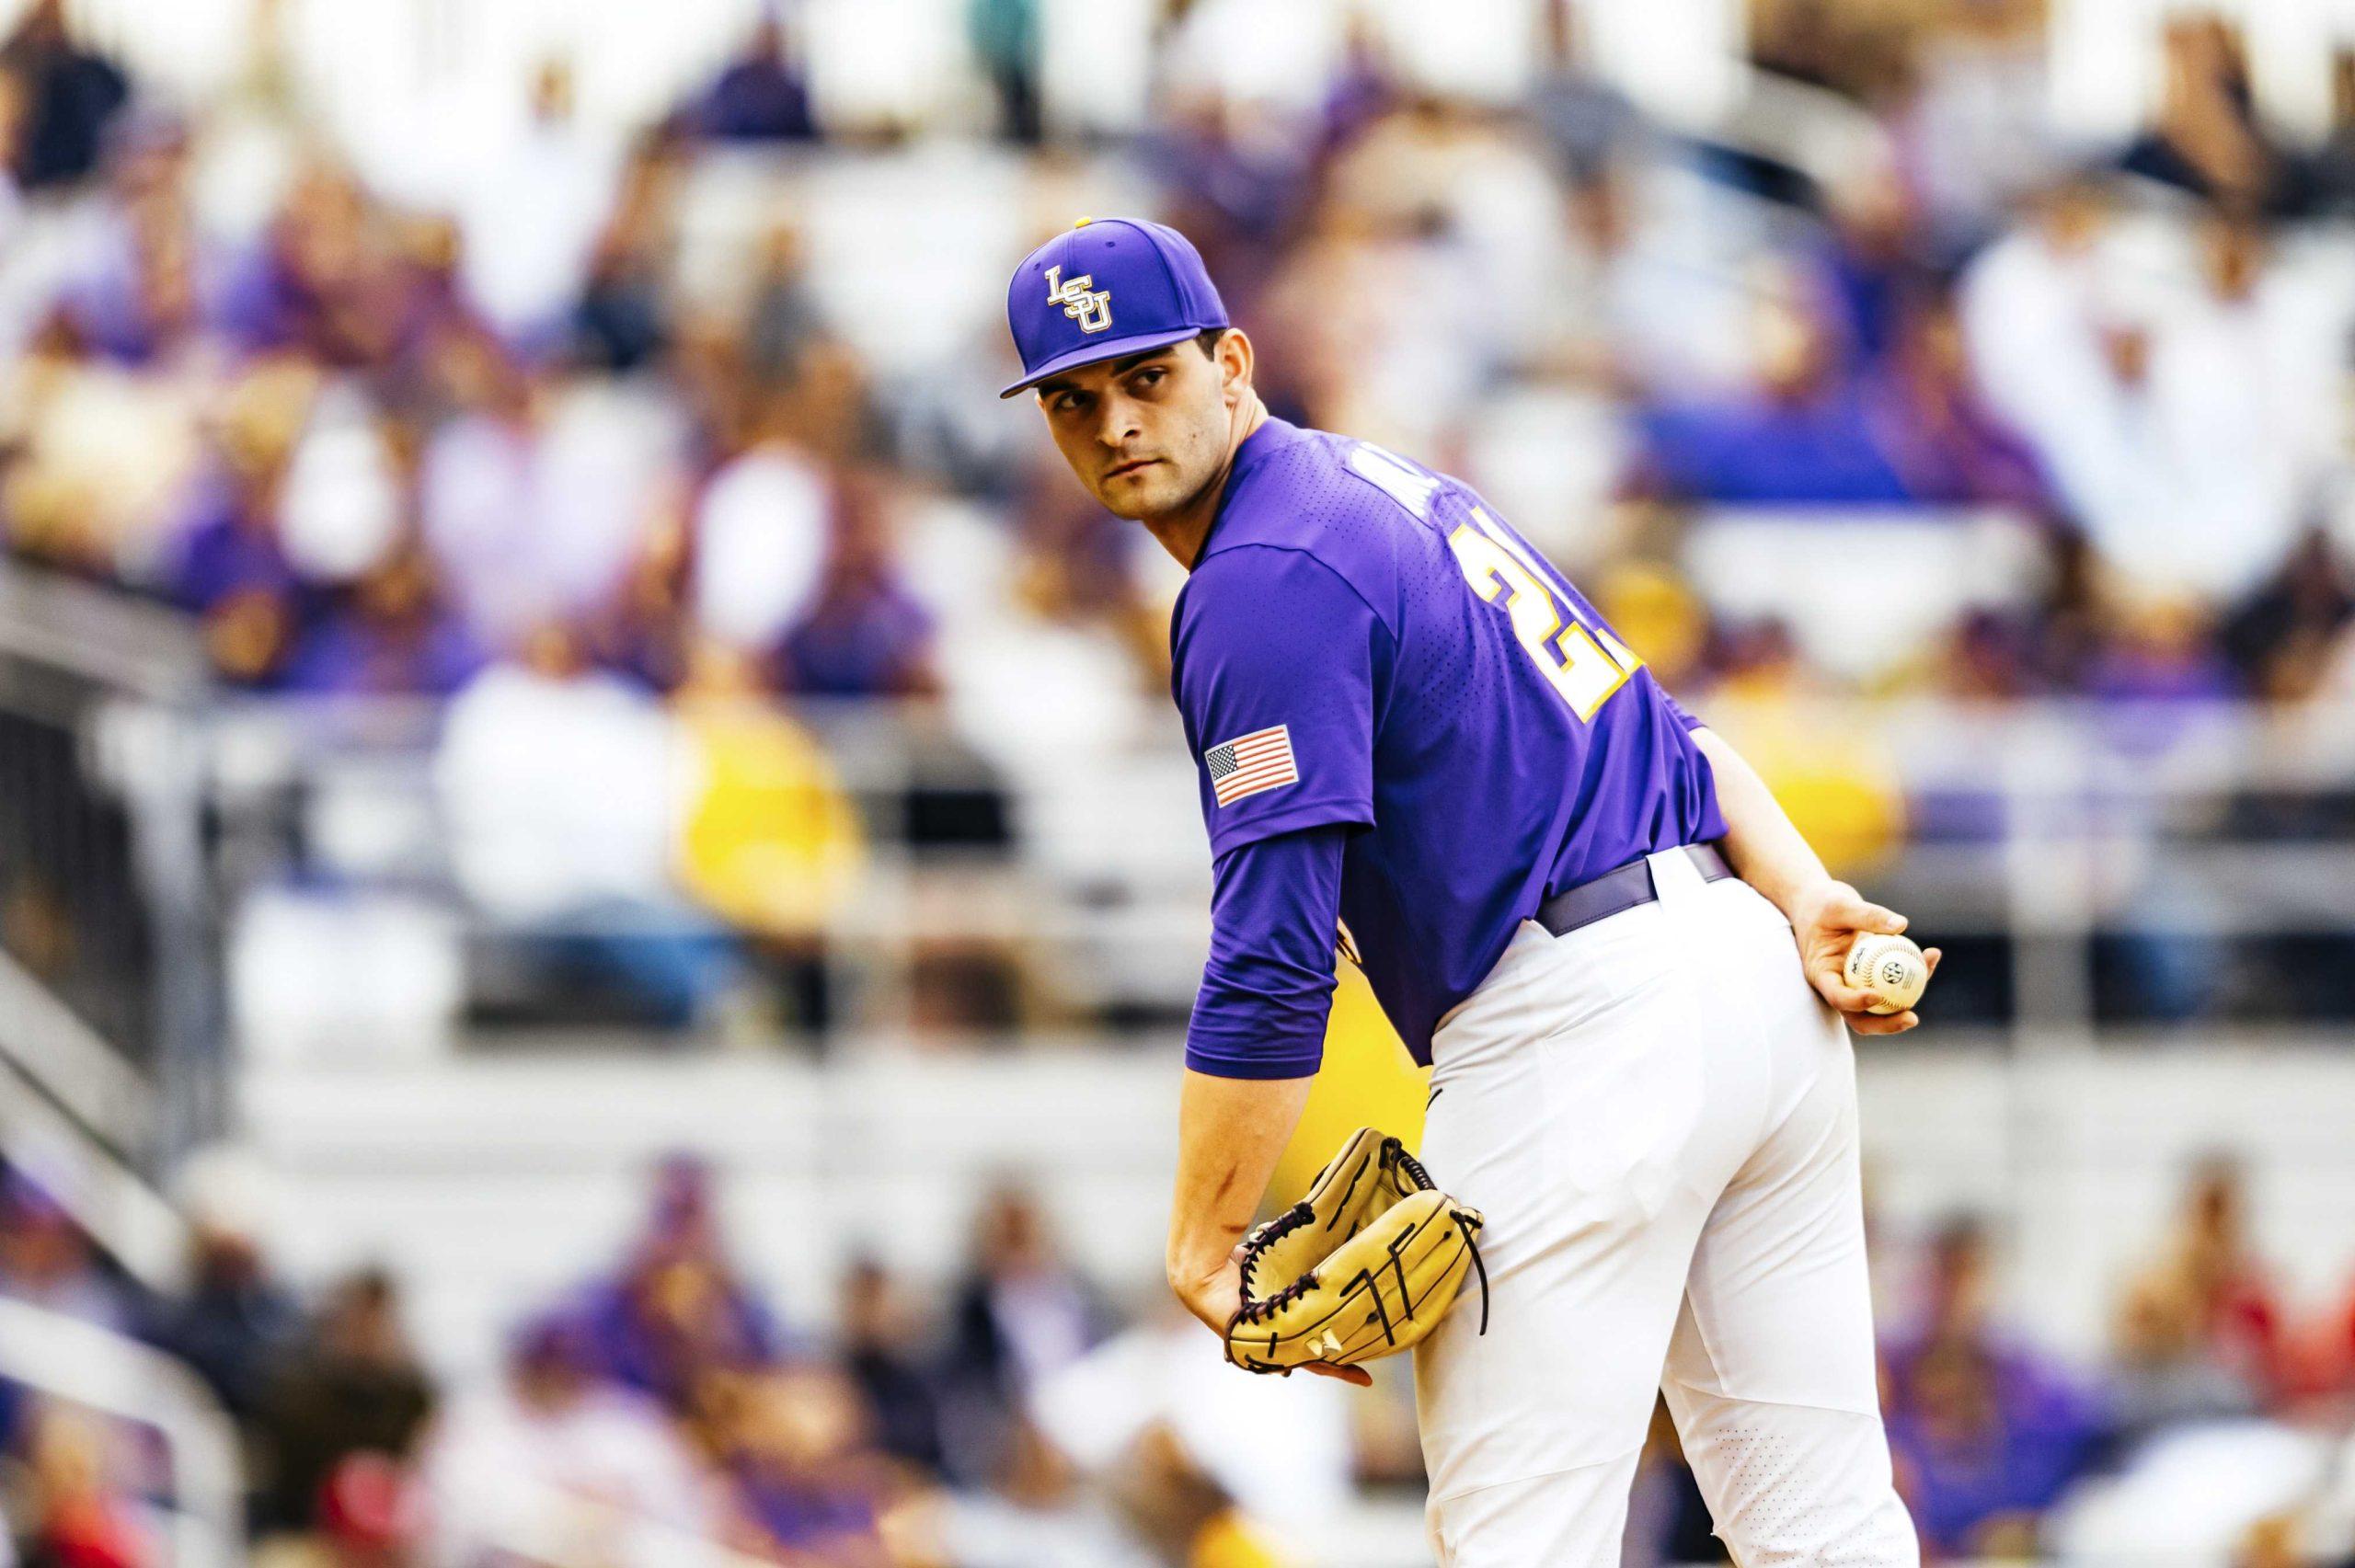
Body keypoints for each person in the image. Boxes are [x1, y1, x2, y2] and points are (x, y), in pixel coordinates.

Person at [997, 217, 1936, 1564]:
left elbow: (1272, 948)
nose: (1114, 423)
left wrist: (1207, 1244)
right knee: (1825, 1525)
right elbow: (1680, 738)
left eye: (1147, 376)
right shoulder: (1384, 487)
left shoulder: (1259, 579)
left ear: (1230, 362)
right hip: (1745, 979)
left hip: (1579, 1033)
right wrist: (1804, 892)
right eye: (1074, 400)